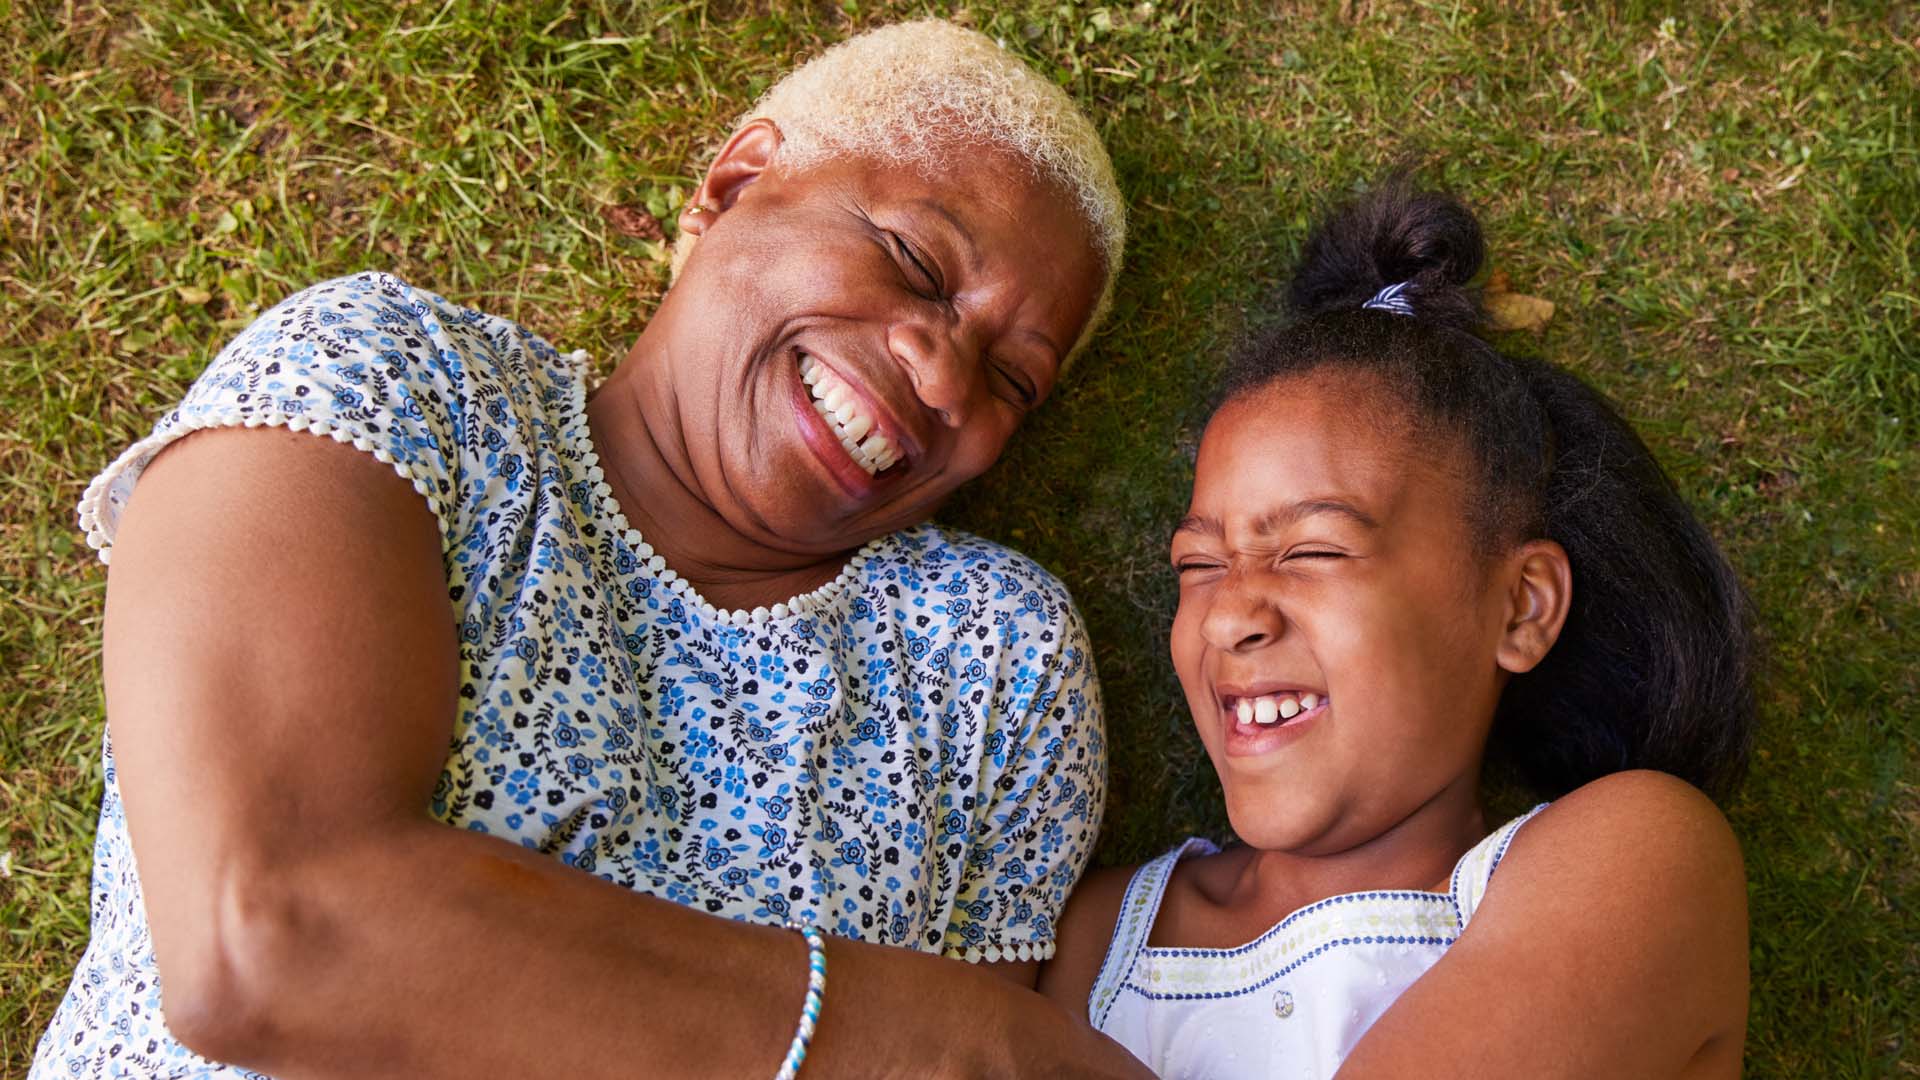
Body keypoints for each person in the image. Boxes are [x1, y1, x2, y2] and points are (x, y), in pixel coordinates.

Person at [35, 20, 1155, 1079]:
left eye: (1012, 379)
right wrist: (916, 1036)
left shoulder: (994, 663)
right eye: (914, 260)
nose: (945, 376)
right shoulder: (393, 382)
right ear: (735, 185)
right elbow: (271, 933)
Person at [1036, 177, 1758, 1078]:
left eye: (1313, 550)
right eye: (1198, 565)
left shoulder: (1635, 864)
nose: (1228, 615)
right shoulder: (1095, 937)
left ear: (1521, 606)